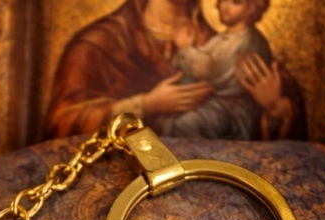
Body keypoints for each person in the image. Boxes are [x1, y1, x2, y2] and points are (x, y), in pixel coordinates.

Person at [45, 0, 306, 142]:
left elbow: (277, 131)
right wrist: (145, 105)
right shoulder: (98, 44)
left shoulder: (228, 44)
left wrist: (274, 109)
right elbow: (62, 122)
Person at [161, 0, 272, 139]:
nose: (225, 6)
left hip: (233, 111)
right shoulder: (224, 38)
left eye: (236, 2)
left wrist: (185, 48)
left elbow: (207, 70)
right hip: (217, 104)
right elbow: (205, 57)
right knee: (164, 122)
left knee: (184, 124)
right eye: (223, 0)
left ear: (250, 9)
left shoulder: (246, 41)